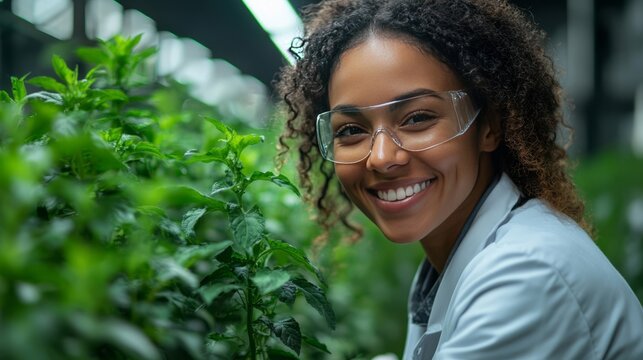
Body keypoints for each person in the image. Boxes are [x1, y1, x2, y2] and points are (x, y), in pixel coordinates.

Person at [276, 0, 643, 358]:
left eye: (417, 118)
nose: (382, 158)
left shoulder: (527, 274)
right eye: (351, 129)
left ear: (489, 126)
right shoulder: (453, 262)